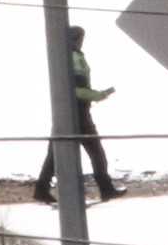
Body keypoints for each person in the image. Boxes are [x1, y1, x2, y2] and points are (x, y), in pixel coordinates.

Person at [34, 25, 123, 204]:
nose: (82, 42)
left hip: (63, 110)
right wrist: (99, 95)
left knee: (55, 153)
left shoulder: (61, 56)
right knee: (96, 152)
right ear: (76, 39)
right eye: (81, 39)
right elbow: (77, 89)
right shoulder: (75, 58)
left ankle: (41, 189)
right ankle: (106, 189)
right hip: (79, 112)